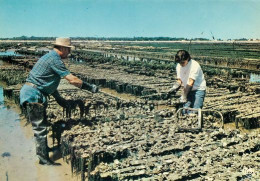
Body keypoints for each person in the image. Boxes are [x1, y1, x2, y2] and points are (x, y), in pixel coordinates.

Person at [19, 37, 98, 166]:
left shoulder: (50, 57)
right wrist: (90, 87)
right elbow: (72, 80)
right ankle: (43, 160)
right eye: (68, 50)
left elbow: (47, 83)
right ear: (62, 48)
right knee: (40, 128)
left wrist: (60, 99)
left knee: (42, 124)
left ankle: (44, 150)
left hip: (33, 93)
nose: (69, 53)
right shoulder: (55, 60)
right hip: (33, 95)